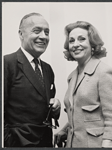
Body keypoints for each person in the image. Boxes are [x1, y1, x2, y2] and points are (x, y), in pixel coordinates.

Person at [54, 21, 112, 148]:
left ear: (92, 44)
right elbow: (81, 115)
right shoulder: (72, 76)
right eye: (71, 41)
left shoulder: (104, 73)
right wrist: (65, 130)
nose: (75, 44)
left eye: (82, 39)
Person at [4, 12, 61, 147]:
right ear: (21, 34)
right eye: (37, 31)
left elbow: (42, 103)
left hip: (45, 143)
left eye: (47, 32)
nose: (43, 36)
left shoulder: (47, 69)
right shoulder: (7, 63)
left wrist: (55, 108)